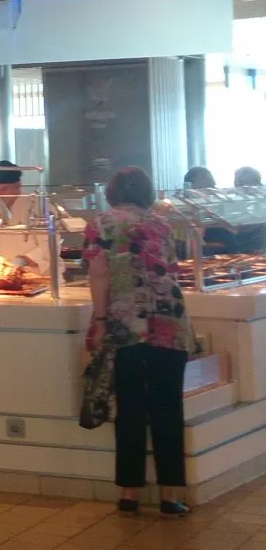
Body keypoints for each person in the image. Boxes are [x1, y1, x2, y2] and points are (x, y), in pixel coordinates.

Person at [85, 166, 193, 518]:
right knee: (168, 408)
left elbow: (99, 273)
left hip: (125, 324)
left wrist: (100, 321)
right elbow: (171, 270)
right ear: (146, 192)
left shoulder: (101, 224)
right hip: (170, 325)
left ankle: (129, 493)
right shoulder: (162, 224)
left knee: (130, 406)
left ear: (112, 193)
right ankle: (170, 496)